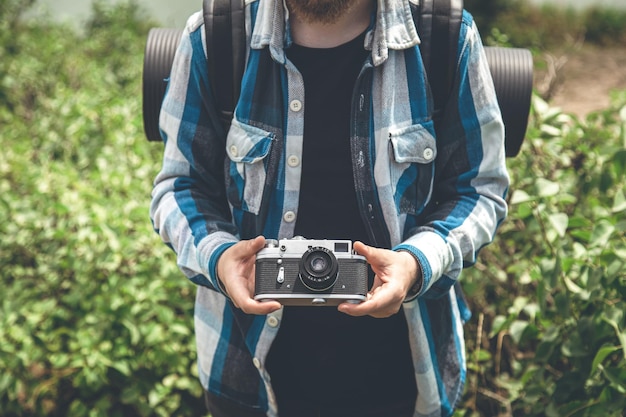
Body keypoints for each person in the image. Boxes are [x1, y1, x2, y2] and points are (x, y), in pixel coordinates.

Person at [150, 0, 509, 415]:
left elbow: (479, 190)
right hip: (245, 376)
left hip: (404, 381)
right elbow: (179, 187)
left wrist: (414, 264)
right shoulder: (214, 39)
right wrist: (219, 257)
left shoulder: (444, 38)